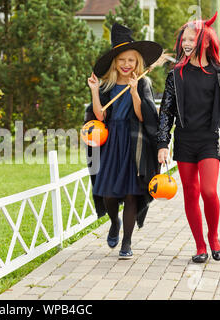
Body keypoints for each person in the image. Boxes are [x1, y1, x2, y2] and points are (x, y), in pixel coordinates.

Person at [157, 12, 220, 263]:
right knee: (190, 193)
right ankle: (200, 245)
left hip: (208, 141)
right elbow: (166, 112)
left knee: (208, 191)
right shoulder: (175, 75)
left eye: (191, 38)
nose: (186, 43)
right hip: (183, 141)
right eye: (184, 39)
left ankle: (214, 238)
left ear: (204, 40)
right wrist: (163, 143)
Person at [85, 23, 162, 258]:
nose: (126, 65)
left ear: (137, 62)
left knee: (131, 194)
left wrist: (135, 92)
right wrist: (95, 91)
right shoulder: (107, 84)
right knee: (107, 193)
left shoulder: (142, 83)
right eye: (122, 60)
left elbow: (143, 116)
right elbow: (99, 115)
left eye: (131, 60)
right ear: (115, 62)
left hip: (134, 145)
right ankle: (114, 223)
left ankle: (126, 243)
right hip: (111, 145)